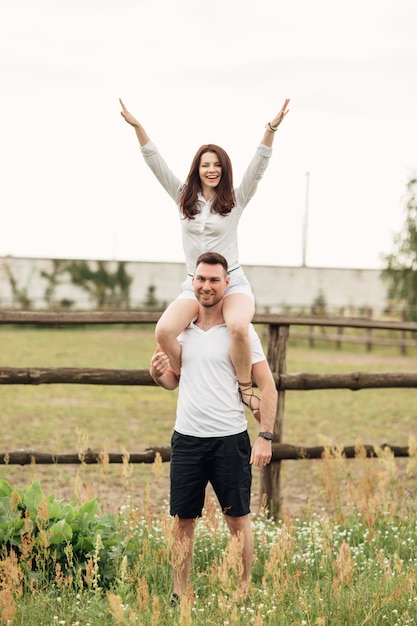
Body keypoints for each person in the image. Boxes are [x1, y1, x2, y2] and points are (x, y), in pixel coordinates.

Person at [120, 96, 289, 421]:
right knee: (164, 331)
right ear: (197, 169)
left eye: (217, 165)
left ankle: (243, 389)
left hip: (232, 282)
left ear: (224, 170)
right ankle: (187, 377)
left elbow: (258, 167)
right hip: (194, 285)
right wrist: (139, 128)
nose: (211, 170)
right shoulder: (183, 197)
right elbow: (155, 164)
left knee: (239, 325)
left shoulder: (235, 200)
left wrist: (270, 130)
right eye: (205, 164)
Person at [149, 252, 278, 604]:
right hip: (188, 438)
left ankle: (242, 590)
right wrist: (158, 374)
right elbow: (173, 381)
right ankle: (181, 592)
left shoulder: (242, 333)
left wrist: (265, 436)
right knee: (182, 521)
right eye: (201, 279)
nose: (207, 286)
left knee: (237, 520)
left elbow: (268, 387)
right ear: (193, 283)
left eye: (214, 280)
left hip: (229, 440)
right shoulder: (181, 331)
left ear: (226, 284)